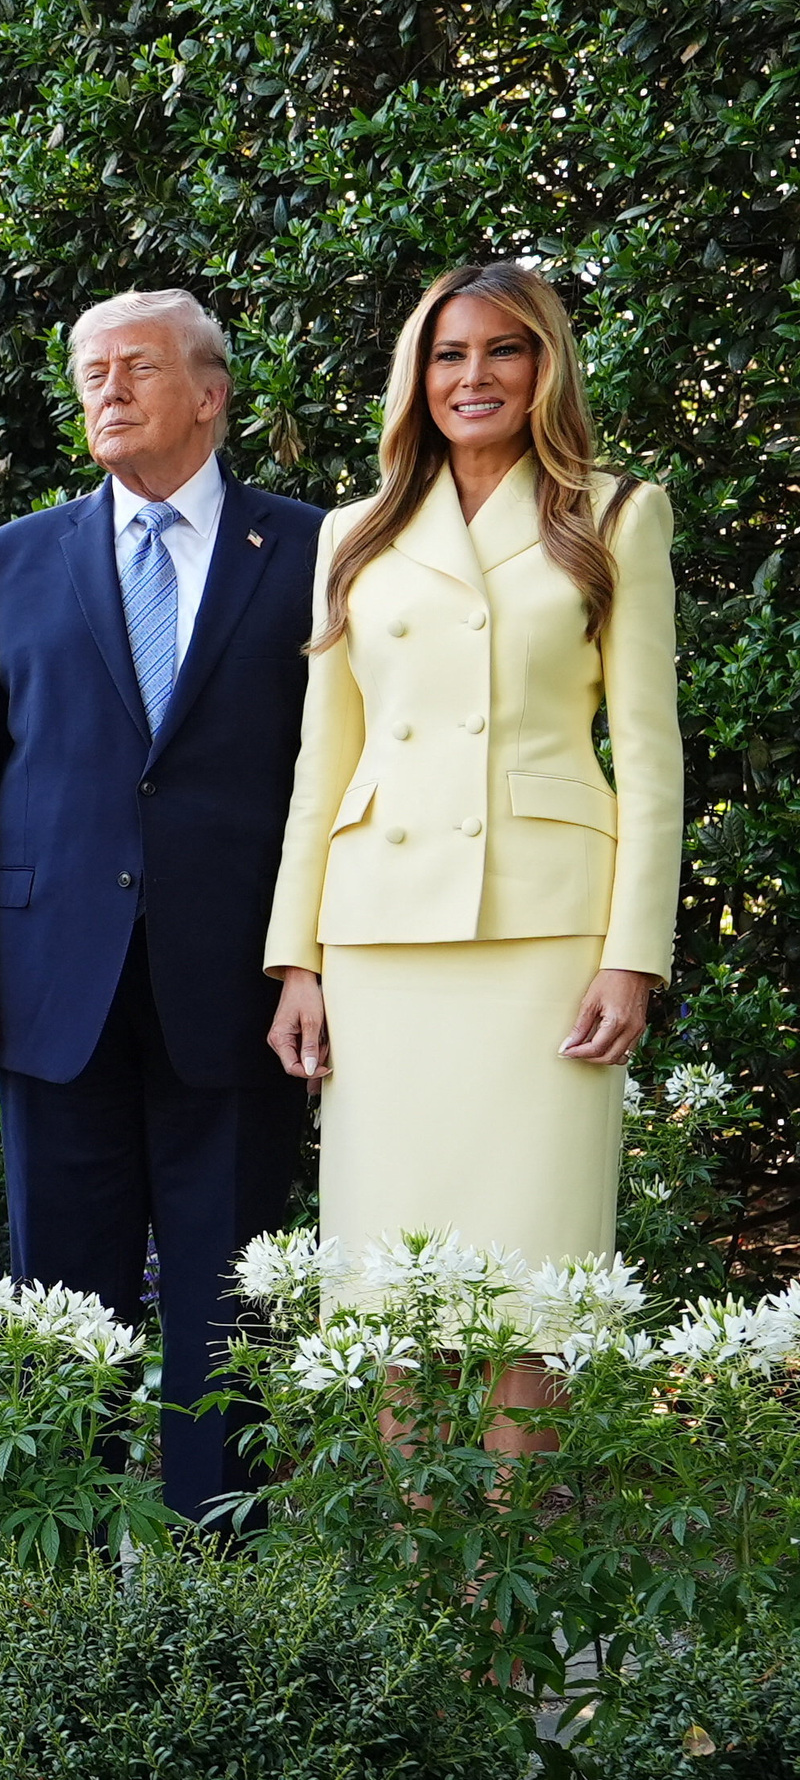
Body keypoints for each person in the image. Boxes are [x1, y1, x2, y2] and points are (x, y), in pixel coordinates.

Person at [0, 289, 321, 1526]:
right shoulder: (15, 558)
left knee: (228, 1305)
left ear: (210, 393)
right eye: (91, 371)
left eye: (136, 367)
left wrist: (312, 958)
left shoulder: (314, 551)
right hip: (50, 985)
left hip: (239, 985)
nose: (106, 390)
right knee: (63, 1304)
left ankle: (220, 1581)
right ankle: (66, 1583)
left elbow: (338, 770)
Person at [263, 265, 679, 1347]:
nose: (473, 375)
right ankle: (401, 1474)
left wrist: (634, 957)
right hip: (378, 934)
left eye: (504, 349)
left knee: (533, 1279)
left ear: (546, 367)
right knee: (386, 1285)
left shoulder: (616, 513)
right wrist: (296, 960)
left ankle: (519, 1472)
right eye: (449, 354)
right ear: (420, 376)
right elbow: (324, 759)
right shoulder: (354, 530)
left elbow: (649, 754)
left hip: (547, 933)